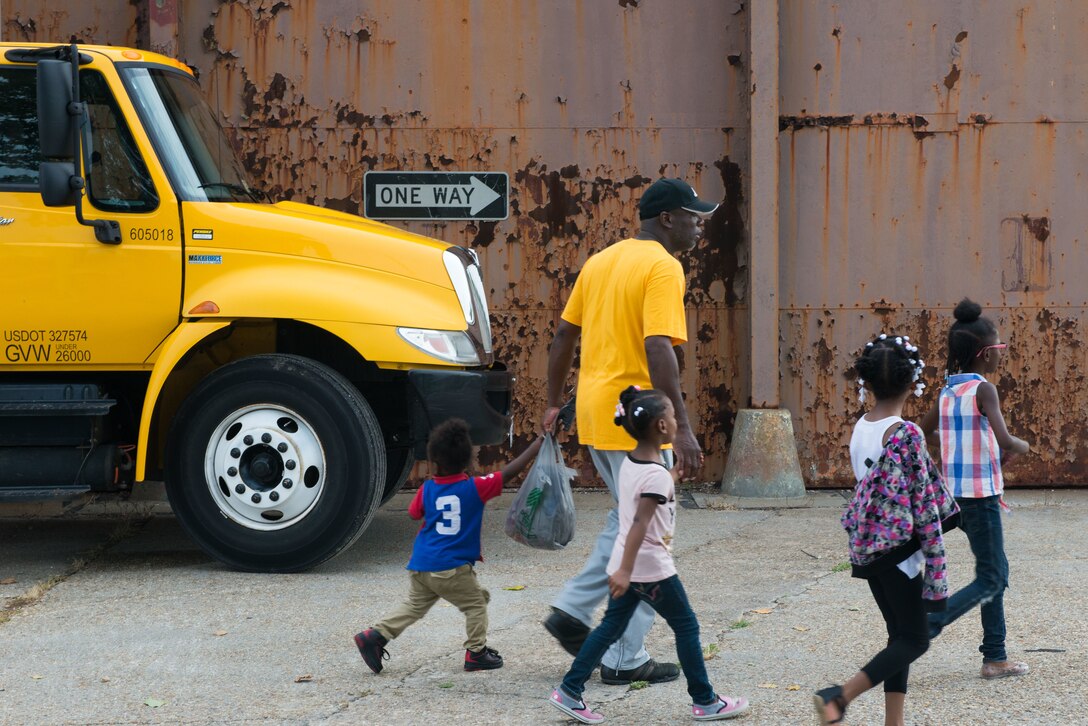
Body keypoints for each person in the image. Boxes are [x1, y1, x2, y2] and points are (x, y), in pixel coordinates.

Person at [541, 177, 719, 686]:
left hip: (599, 414)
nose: (698, 225)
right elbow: (658, 347)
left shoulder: (601, 261)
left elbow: (562, 336)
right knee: (650, 530)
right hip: (639, 416)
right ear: (667, 219)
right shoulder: (663, 265)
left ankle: (578, 614)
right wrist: (681, 427)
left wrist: (554, 403)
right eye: (692, 216)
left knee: (627, 522)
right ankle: (620, 652)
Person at [548, 387, 750, 724]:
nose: (676, 420)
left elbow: (648, 493)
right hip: (649, 569)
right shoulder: (655, 473)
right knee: (686, 626)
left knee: (609, 628)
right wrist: (627, 571)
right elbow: (640, 522)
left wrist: (673, 477)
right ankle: (705, 700)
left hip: (629, 566)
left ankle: (569, 690)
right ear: (660, 426)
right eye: (672, 415)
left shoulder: (633, 462)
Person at [816, 334, 959, 726]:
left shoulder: (862, 426)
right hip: (901, 553)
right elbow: (923, 503)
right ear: (914, 380)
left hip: (870, 551)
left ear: (868, 382)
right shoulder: (906, 433)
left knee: (899, 635)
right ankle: (840, 696)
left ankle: (893, 722)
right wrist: (935, 558)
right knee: (915, 639)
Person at [353, 419, 542, 673]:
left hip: (421, 564)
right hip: (450, 568)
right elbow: (509, 472)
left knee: (414, 606)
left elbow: (413, 513)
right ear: (467, 462)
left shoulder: (427, 487)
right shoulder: (475, 487)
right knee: (477, 604)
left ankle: (374, 636)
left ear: (433, 463)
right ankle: (476, 653)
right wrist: (538, 444)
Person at [919, 298, 1031, 680]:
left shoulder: (948, 391)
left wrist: (952, 444)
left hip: (953, 497)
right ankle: (931, 622)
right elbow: (1004, 440)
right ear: (985, 354)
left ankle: (995, 656)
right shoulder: (985, 390)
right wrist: (1022, 446)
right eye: (999, 349)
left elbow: (923, 433)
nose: (1002, 355)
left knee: (996, 568)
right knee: (993, 576)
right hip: (981, 497)